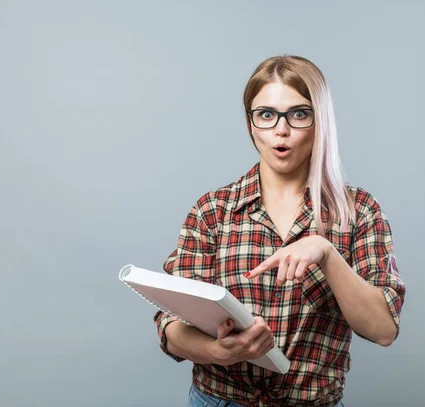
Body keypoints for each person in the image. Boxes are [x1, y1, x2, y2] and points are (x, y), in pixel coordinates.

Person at [153, 55, 406, 407]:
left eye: (298, 114)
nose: (281, 130)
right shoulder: (212, 211)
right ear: (250, 123)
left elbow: (383, 330)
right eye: (267, 115)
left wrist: (325, 251)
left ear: (320, 122)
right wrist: (218, 351)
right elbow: (171, 326)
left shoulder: (358, 211)